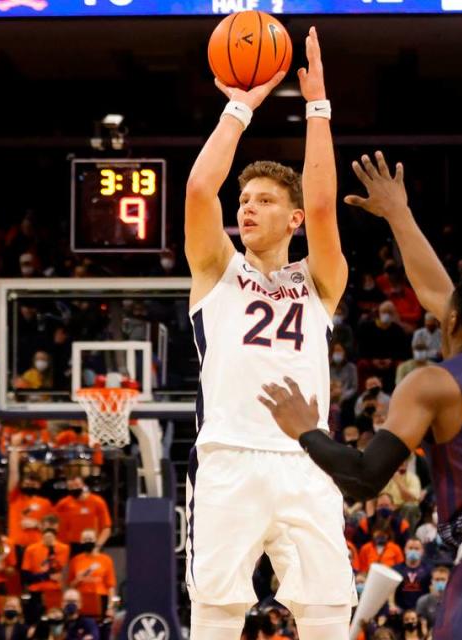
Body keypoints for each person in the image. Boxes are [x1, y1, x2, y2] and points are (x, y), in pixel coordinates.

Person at [261, 152, 462, 639]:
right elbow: (442, 294)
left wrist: (305, 431)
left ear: (454, 320)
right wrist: (399, 214)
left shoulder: (433, 382)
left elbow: (364, 477)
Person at [183, 38, 351, 635]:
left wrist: (317, 107)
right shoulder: (216, 269)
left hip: (308, 461)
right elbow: (201, 192)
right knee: (219, 613)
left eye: (264, 200)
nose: (247, 208)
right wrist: (238, 108)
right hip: (228, 456)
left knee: (329, 609)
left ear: (293, 218)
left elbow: (327, 204)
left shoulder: (320, 280)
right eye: (244, 200)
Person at [21, 515, 69, 624]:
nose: (50, 529)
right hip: (36, 594)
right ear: (41, 527)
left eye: (53, 526)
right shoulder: (31, 549)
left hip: (56, 593)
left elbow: (65, 574)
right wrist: (46, 576)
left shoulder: (65, 549)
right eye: (47, 525)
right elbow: (26, 576)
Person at [54, 477, 111, 553]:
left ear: (83, 485)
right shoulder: (63, 504)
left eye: (77, 485)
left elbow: (106, 528)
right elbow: (52, 522)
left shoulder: (97, 501)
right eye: (71, 487)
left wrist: (97, 546)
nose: (74, 488)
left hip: (93, 544)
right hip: (73, 546)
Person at [67, 528, 116, 617]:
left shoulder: (106, 560)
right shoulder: (75, 560)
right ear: (81, 541)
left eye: (90, 539)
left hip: (100, 598)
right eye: (85, 539)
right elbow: (71, 585)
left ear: (96, 540)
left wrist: (110, 607)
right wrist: (78, 579)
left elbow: (110, 587)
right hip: (81, 599)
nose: (87, 541)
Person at [392, 538, 431, 612]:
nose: (413, 551)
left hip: (421, 610)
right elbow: (390, 591)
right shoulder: (396, 569)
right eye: (410, 548)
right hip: (400, 610)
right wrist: (392, 605)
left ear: (422, 551)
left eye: (416, 549)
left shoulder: (429, 570)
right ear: (405, 550)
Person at [414, 565, 448, 631]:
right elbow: (421, 626)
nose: (440, 582)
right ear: (432, 581)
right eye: (437, 579)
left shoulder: (456, 601)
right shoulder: (423, 601)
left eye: (443, 579)